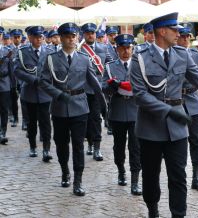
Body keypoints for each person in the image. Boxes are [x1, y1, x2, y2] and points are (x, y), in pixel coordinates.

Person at [130, 12, 198, 218]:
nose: (179, 33)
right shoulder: (140, 58)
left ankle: (179, 214)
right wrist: (168, 110)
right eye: (174, 30)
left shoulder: (182, 54)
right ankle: (153, 210)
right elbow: (140, 95)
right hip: (150, 127)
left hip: (177, 128)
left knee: (178, 176)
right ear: (162, 31)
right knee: (151, 176)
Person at [39, 22, 105, 196]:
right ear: (60, 38)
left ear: (77, 37)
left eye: (73, 36)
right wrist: (58, 94)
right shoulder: (51, 58)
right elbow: (43, 81)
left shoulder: (84, 58)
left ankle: (78, 180)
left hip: (80, 106)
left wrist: (104, 102)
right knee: (61, 144)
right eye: (67, 36)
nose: (70, 39)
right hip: (59, 107)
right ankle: (64, 172)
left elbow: (94, 82)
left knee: (78, 145)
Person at [102, 34, 142, 196]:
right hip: (117, 110)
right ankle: (121, 170)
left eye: (128, 48)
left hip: (135, 111)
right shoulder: (110, 67)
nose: (126, 51)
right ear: (117, 49)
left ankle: (135, 181)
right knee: (119, 146)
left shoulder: (139, 65)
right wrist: (112, 86)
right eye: (122, 48)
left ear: (132, 48)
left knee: (135, 147)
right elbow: (103, 87)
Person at [14, 26, 53, 162]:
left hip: (45, 94)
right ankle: (33, 147)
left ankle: (46, 149)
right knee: (31, 122)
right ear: (30, 37)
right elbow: (17, 71)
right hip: (29, 93)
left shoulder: (49, 51)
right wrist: (32, 79)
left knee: (46, 122)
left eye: (41, 36)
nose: (39, 39)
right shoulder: (22, 52)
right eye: (36, 37)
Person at [177, 27, 198, 191]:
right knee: (177, 140)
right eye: (181, 37)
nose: (185, 39)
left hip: (193, 101)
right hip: (176, 102)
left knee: (196, 139)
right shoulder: (170, 54)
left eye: (187, 37)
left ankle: (197, 177)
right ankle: (178, 175)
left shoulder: (196, 54)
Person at [80, 23, 112, 161]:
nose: (90, 35)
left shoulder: (103, 48)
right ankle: (90, 144)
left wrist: (107, 83)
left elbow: (110, 65)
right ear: (84, 35)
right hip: (83, 89)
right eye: (87, 33)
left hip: (98, 90)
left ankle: (97, 148)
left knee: (96, 119)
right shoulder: (79, 49)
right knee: (85, 119)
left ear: (95, 34)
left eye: (92, 33)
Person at [0, 37, 14, 145]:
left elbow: (10, 69)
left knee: (4, 109)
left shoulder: (7, 51)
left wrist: (13, 86)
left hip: (4, 84)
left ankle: (3, 132)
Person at [9, 29, 23, 128]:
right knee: (13, 100)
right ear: (11, 38)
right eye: (15, 37)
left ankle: (26, 121)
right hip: (13, 79)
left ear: (21, 38)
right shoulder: (8, 50)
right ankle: (15, 118)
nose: (17, 39)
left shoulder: (25, 49)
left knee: (25, 101)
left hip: (23, 79)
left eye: (18, 37)